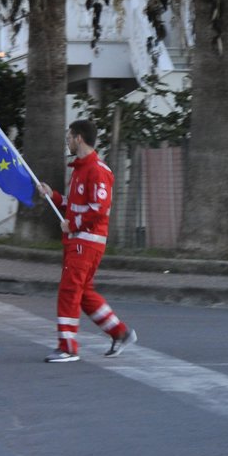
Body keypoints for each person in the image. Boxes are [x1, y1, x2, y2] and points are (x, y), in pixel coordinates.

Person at [35, 119, 135, 363]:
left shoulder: (97, 170)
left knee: (70, 291)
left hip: (85, 241)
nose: (67, 141)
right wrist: (53, 196)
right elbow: (74, 204)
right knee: (83, 292)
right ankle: (119, 332)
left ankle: (68, 347)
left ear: (79, 138)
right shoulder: (81, 169)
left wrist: (74, 224)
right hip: (79, 240)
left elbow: (99, 209)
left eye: (69, 137)